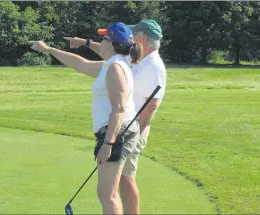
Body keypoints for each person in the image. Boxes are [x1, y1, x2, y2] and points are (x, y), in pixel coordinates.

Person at [28, 22, 144, 215]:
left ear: (110, 43)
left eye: (103, 38)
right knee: (107, 193)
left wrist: (108, 144)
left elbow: (119, 108)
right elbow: (81, 64)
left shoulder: (115, 68)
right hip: (121, 131)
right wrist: (48, 49)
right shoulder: (113, 64)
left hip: (117, 132)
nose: (100, 41)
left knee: (108, 195)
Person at [65, 19, 166, 215]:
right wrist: (85, 43)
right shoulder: (133, 58)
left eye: (134, 33)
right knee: (117, 184)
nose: (131, 37)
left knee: (122, 182)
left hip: (129, 128)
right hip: (123, 126)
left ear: (143, 38)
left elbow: (151, 105)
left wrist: (127, 137)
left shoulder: (153, 65)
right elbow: (109, 50)